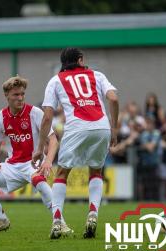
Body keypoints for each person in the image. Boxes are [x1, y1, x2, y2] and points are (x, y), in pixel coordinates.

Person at [32, 48, 119, 239]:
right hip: (101, 127)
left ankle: (56, 220)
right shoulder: (97, 75)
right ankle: (93, 214)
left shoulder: (56, 80)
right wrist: (114, 129)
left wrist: (40, 148)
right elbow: (113, 98)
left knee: (62, 173)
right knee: (96, 171)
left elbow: (47, 117)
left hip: (76, 128)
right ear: (80, 60)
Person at [0, 76, 58, 233]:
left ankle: (59, 222)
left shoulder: (35, 113)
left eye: (22, 94)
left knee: (39, 180)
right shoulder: (0, 117)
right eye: (16, 95)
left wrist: (48, 161)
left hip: (33, 163)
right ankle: (1, 219)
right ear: (7, 95)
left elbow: (53, 140)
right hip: (12, 165)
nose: (20, 98)